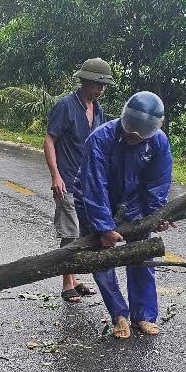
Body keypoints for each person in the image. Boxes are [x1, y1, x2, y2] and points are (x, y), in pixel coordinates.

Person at [77, 91, 175, 339]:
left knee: (142, 256)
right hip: (94, 203)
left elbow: (157, 183)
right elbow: (94, 185)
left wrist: (157, 216)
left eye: (139, 137)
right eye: (130, 133)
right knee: (102, 261)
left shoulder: (159, 142)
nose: (134, 139)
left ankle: (143, 315)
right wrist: (103, 228)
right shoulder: (100, 139)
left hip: (133, 205)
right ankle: (119, 315)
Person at [44, 57, 114, 303]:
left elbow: (101, 144)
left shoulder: (98, 110)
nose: (101, 89)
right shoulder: (65, 106)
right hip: (67, 181)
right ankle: (66, 284)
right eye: (97, 84)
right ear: (84, 81)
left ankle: (74, 278)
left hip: (88, 184)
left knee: (84, 233)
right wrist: (56, 175)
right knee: (69, 234)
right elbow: (49, 140)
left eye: (104, 85)